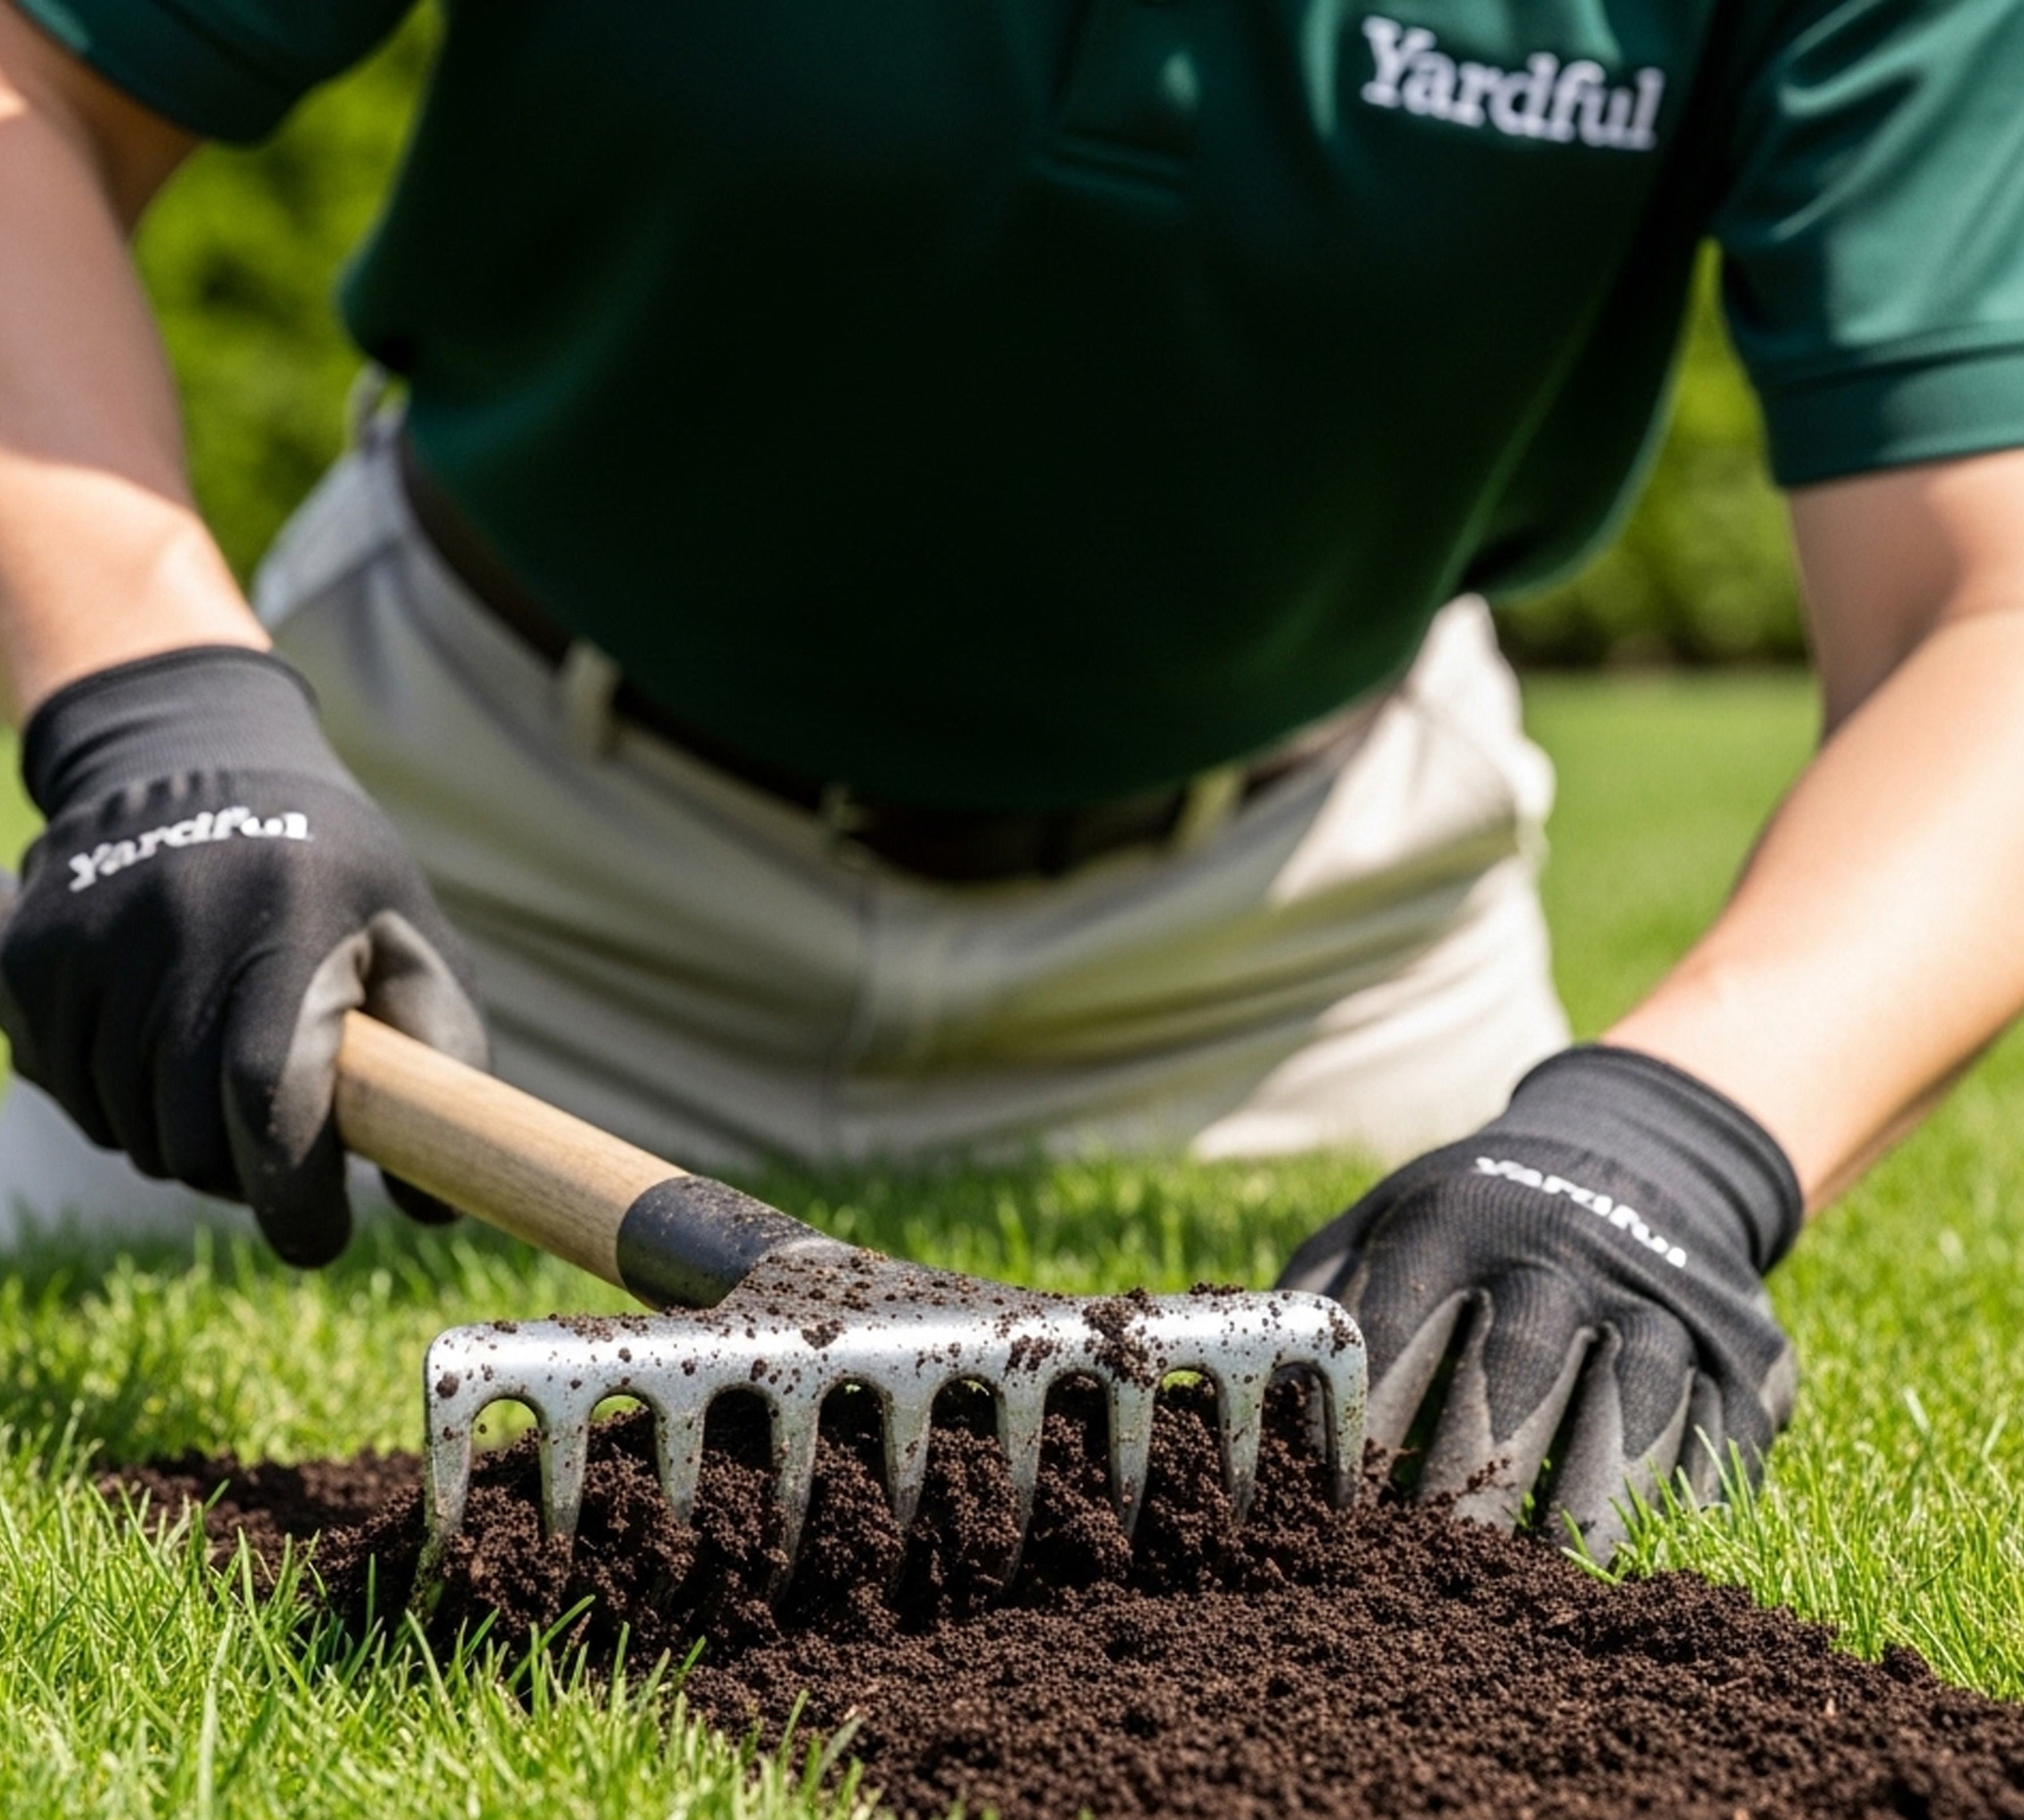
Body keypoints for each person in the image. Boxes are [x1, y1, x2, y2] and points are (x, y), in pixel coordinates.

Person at [2, 0, 2021, 1551]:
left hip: (1294, 953)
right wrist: (158, 704)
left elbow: (1987, 606)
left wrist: (1679, 1140)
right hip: (464, 872)